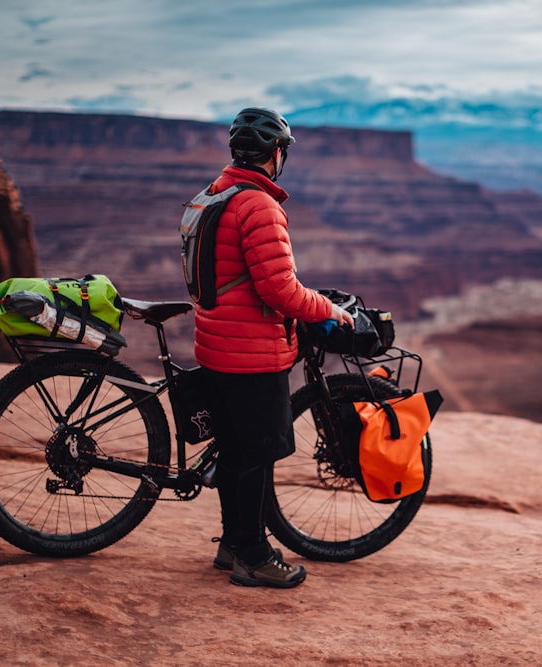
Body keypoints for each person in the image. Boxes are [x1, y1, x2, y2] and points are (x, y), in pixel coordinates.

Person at [195, 107, 353, 588]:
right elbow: (280, 291)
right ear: (276, 154)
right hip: (252, 354)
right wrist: (329, 310)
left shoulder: (213, 195)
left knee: (235, 452)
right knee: (257, 456)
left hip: (216, 345)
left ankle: (232, 544)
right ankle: (254, 556)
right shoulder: (259, 205)